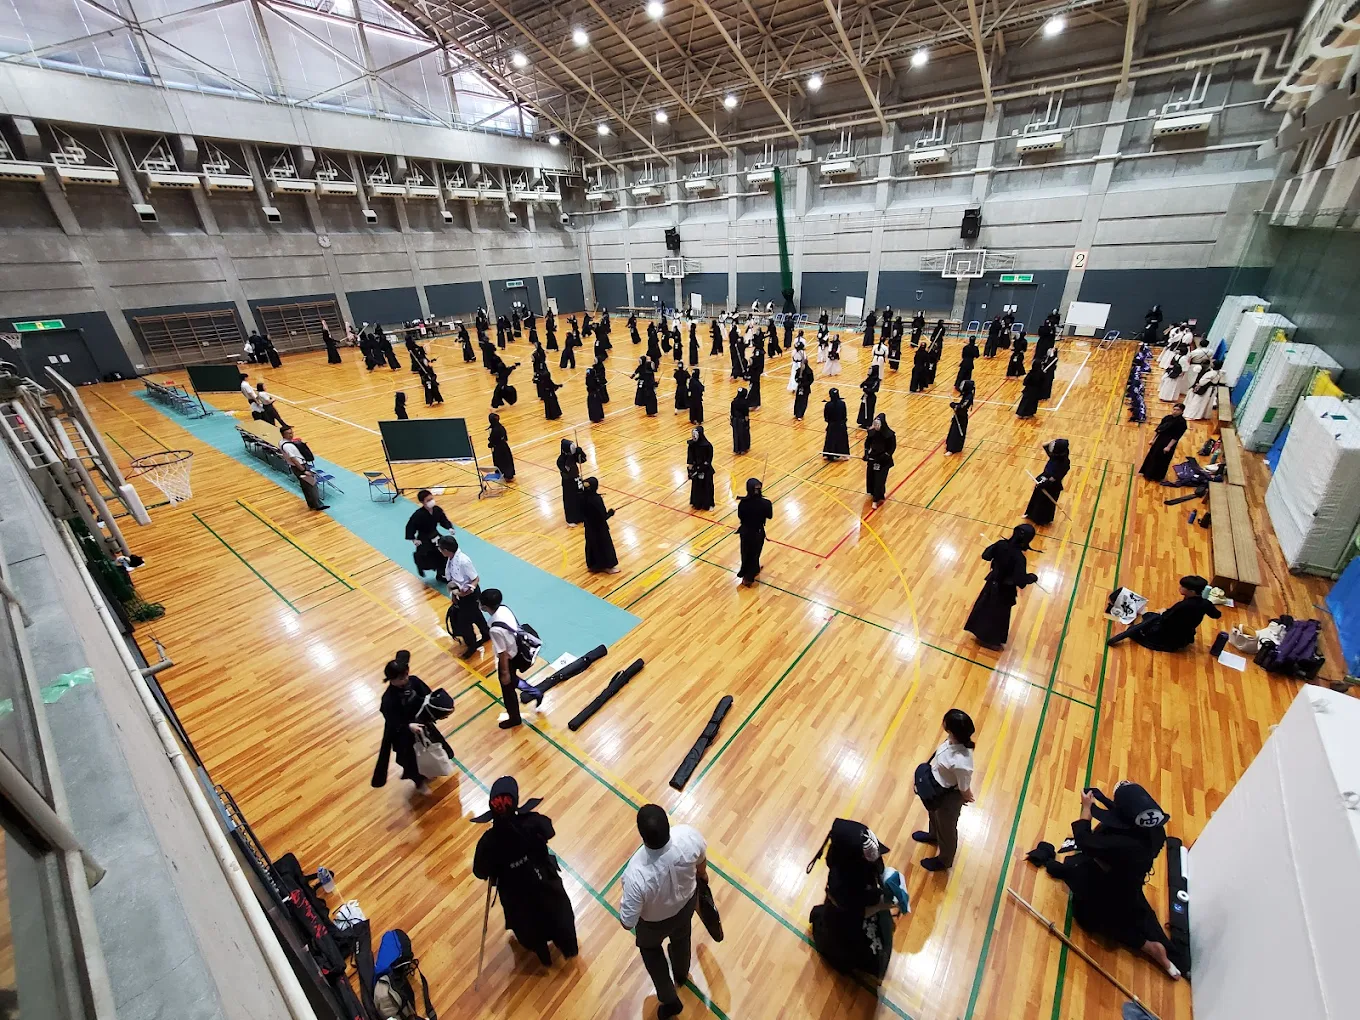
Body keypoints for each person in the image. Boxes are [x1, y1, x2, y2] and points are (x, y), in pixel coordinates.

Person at [1026, 782, 1182, 979]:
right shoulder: (1156, 832)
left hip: (1108, 885)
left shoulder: (1116, 843)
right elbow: (1122, 817)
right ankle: (1171, 958)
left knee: (1089, 916)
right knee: (1138, 912)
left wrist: (1086, 808)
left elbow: (1084, 840)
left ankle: (1148, 947)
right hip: (1130, 882)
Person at [472, 776, 579, 968]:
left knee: (529, 926)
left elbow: (480, 872)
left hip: (515, 896)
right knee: (558, 915)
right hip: (544, 882)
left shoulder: (487, 842)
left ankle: (544, 958)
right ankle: (569, 949)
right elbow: (549, 831)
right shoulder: (532, 822)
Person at [618, 805, 709, 1019]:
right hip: (686, 906)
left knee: (652, 954)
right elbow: (702, 861)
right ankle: (681, 974)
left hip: (653, 925)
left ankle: (670, 1000)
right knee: (682, 938)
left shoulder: (635, 874)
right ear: (669, 825)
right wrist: (703, 875)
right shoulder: (687, 836)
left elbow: (628, 922)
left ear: (641, 835)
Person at [807, 818, 896, 977]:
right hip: (846, 919)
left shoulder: (860, 850)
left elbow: (877, 866)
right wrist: (884, 904)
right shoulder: (840, 884)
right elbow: (857, 912)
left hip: (860, 900)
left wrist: (889, 880)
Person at [370, 654, 453, 795]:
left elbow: (427, 696)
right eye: (401, 678)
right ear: (391, 679)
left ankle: (431, 770)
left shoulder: (413, 681)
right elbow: (393, 721)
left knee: (433, 748)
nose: (406, 679)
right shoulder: (388, 699)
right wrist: (408, 726)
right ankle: (418, 782)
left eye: (406, 675)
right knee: (411, 761)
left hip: (423, 726)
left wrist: (438, 707)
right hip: (404, 736)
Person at [913, 708, 976, 871]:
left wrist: (966, 796)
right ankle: (933, 836)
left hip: (949, 797)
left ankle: (944, 860)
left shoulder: (963, 763)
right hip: (936, 788)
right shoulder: (950, 741)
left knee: (947, 829)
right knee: (933, 814)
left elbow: (964, 786)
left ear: (952, 730)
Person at [964, 524, 1038, 650]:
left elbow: (986, 555)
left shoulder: (1001, 544)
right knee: (998, 615)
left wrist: (996, 548)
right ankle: (990, 640)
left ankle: (979, 633)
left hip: (992, 583)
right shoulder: (1019, 558)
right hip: (1004, 590)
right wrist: (1031, 577)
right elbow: (1020, 581)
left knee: (985, 608)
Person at [1107, 575, 1221, 651]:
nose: (1180, 588)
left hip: (1168, 635)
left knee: (1137, 631)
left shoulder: (1183, 606)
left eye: (1183, 587)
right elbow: (1216, 615)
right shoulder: (1205, 603)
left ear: (1191, 591)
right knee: (1149, 616)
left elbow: (1166, 618)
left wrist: (1164, 612)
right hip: (1185, 633)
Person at [481, 588, 537, 727]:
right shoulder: (504, 609)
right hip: (517, 649)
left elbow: (503, 653)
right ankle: (534, 691)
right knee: (512, 681)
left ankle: (514, 718)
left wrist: (504, 673)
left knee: (508, 689)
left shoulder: (495, 630)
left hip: (510, 658)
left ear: (485, 606)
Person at [438, 535, 490, 657]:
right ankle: (486, 633)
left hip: (470, 595)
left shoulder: (463, 561)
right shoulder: (450, 560)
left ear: (446, 550)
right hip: (460, 594)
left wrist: (467, 592)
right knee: (476, 615)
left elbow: (475, 579)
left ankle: (471, 645)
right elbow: (452, 580)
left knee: (464, 622)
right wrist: (454, 595)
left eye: (441, 549)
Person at [405, 488, 454, 577]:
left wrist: (449, 527)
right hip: (424, 538)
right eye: (428, 500)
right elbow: (410, 526)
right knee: (425, 556)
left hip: (435, 534)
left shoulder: (437, 510)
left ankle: (441, 575)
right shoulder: (418, 515)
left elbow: (443, 519)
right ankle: (420, 565)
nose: (431, 501)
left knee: (443, 553)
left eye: (431, 499)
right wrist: (413, 539)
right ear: (423, 502)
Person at [278, 426, 328, 511]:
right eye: (289, 433)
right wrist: (304, 470)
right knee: (311, 486)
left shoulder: (281, 442)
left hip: (297, 467)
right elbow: (294, 459)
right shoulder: (288, 446)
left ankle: (311, 504)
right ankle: (317, 505)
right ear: (283, 434)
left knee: (306, 487)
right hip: (300, 467)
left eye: (291, 433)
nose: (291, 435)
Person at [1024, 438, 1071, 525]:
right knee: (1036, 497)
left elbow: (1056, 477)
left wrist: (1045, 483)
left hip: (1052, 484)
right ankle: (1030, 514)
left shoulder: (1063, 463)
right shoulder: (1056, 455)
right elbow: (1044, 444)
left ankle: (1041, 520)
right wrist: (1054, 441)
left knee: (1045, 502)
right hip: (1043, 478)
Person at [736, 477, 772, 586]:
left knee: (746, 553)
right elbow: (769, 516)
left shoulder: (743, 503)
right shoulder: (766, 503)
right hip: (758, 532)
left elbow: (740, 516)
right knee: (755, 553)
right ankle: (748, 577)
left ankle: (753, 570)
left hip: (745, 532)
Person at [1139, 403, 1187, 481]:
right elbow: (1159, 429)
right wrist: (1153, 439)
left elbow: (1176, 436)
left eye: (1178, 410)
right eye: (1174, 409)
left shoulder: (1182, 423)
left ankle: (1157, 476)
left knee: (1162, 460)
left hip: (1168, 442)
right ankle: (1147, 473)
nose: (1175, 411)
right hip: (1160, 439)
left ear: (1182, 411)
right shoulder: (1167, 418)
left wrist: (1168, 446)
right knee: (1152, 456)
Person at [580, 477, 619, 573]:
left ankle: (593, 565)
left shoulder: (581, 496)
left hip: (589, 526)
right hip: (599, 527)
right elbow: (603, 516)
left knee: (592, 544)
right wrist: (610, 512)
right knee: (604, 545)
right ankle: (608, 566)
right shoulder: (596, 500)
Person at [863, 413, 896, 507]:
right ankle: (873, 493)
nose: (876, 427)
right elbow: (867, 443)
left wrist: (885, 456)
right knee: (871, 477)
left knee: (879, 480)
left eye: (878, 425)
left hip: (883, 461)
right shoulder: (872, 433)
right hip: (873, 458)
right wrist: (866, 454)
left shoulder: (889, 435)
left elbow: (892, 448)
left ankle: (876, 499)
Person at [557, 440, 587, 526]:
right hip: (568, 483)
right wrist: (571, 457)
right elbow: (567, 469)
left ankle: (581, 515)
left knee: (580, 497)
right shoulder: (560, 460)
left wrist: (580, 453)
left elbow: (583, 460)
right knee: (570, 500)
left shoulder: (573, 456)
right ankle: (571, 519)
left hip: (577, 478)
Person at [686, 427, 715, 511]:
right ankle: (697, 503)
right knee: (696, 487)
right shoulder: (691, 445)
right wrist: (690, 472)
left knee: (707, 487)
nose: (694, 437)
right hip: (696, 470)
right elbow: (690, 459)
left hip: (706, 470)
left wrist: (701, 468)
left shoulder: (708, 446)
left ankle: (708, 504)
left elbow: (708, 460)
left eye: (695, 435)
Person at [946, 379, 974, 454]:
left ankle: (953, 448)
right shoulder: (966, 394)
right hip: (958, 415)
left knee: (956, 432)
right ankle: (949, 445)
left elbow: (962, 406)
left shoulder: (969, 396)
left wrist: (954, 405)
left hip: (962, 416)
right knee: (953, 430)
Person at [487, 413, 516, 482]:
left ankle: (504, 475)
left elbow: (494, 441)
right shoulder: (501, 427)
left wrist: (490, 443)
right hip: (504, 446)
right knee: (507, 461)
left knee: (501, 462)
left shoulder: (495, 430)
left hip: (498, 449)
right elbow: (505, 438)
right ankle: (509, 475)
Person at [730, 388, 751, 455]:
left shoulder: (733, 402)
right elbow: (746, 414)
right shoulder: (745, 402)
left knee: (736, 435)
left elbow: (732, 413)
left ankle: (736, 449)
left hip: (735, 420)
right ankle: (743, 449)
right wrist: (747, 423)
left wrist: (731, 421)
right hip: (742, 421)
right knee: (743, 434)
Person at [747, 341, 765, 410]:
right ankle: (752, 404)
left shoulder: (756, 367)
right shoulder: (751, 367)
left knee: (755, 391)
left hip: (755, 379)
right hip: (752, 380)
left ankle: (757, 404)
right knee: (752, 391)